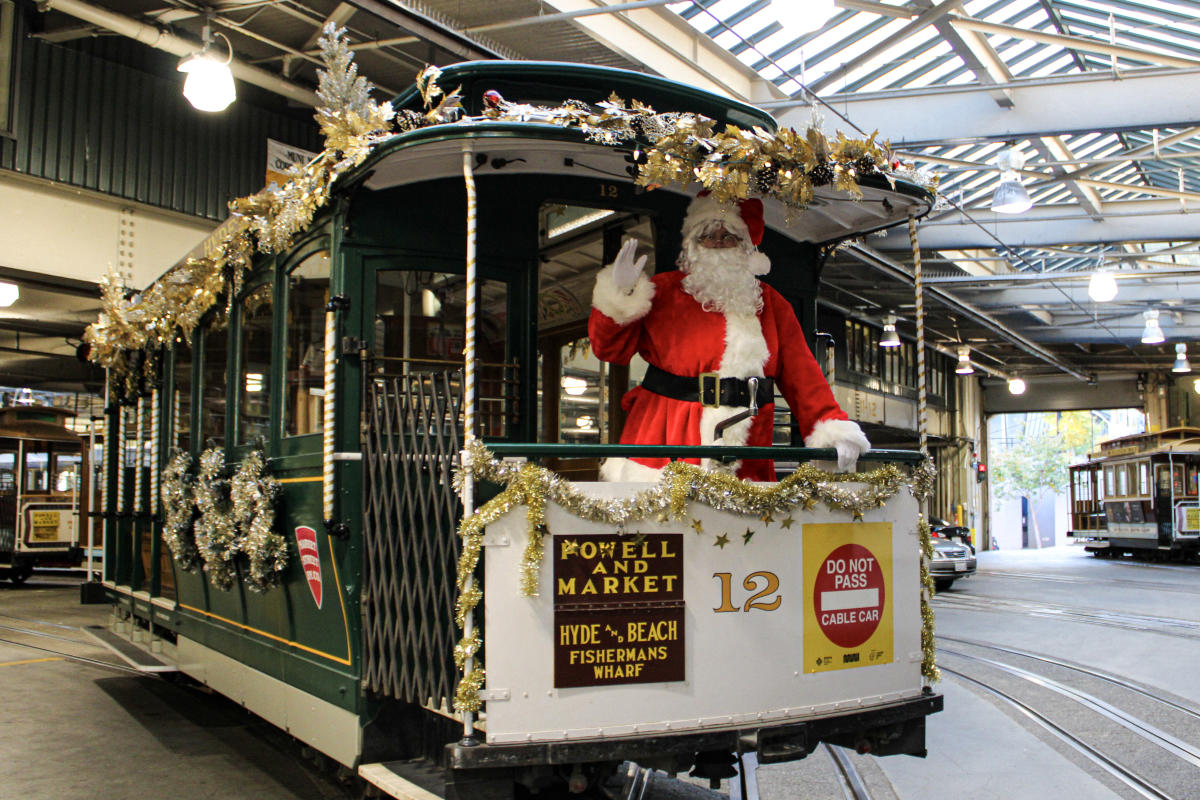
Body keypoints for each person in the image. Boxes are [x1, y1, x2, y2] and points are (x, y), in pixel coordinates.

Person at [588, 192, 870, 482]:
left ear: (746, 247)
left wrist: (832, 426)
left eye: (728, 236)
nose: (717, 244)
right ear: (692, 244)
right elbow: (608, 349)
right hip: (667, 436)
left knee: (742, 523)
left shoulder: (770, 305)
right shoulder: (662, 292)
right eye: (707, 235)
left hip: (747, 444)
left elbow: (804, 377)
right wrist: (619, 296)